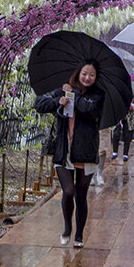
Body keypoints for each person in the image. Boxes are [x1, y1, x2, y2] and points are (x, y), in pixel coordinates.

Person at [33, 60, 105, 248]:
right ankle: (67, 228)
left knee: (81, 195)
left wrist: (73, 95)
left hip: (85, 152)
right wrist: (59, 100)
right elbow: (39, 104)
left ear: (96, 78)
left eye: (91, 75)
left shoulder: (97, 95)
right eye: (84, 74)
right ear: (77, 73)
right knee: (68, 191)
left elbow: (90, 110)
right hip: (64, 150)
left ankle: (79, 234)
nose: (87, 78)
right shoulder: (63, 90)